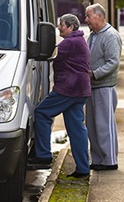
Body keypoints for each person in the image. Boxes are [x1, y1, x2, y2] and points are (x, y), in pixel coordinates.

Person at [28, 14, 91, 178]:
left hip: (68, 89)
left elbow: (49, 53)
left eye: (61, 25)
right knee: (76, 129)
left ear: (71, 27)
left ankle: (43, 156)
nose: (59, 28)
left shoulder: (70, 42)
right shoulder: (79, 40)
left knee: (41, 113)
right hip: (80, 89)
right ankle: (83, 168)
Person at [84, 3, 122, 171]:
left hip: (104, 86)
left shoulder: (111, 35)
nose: (86, 20)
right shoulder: (92, 36)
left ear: (99, 16)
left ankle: (110, 160)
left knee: (104, 125)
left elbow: (113, 62)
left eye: (88, 16)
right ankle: (98, 159)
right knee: (92, 125)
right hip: (91, 86)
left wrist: (95, 73)